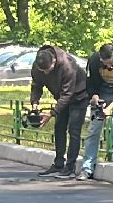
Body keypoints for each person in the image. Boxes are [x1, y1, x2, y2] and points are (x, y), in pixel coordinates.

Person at [29, 45, 90, 179]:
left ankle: (70, 167)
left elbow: (68, 94)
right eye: (42, 70)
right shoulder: (39, 64)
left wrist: (51, 113)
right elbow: (36, 85)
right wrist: (35, 104)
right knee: (59, 128)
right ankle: (58, 164)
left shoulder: (68, 65)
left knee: (73, 130)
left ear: (54, 62)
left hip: (79, 96)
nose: (45, 73)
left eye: (48, 70)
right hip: (61, 97)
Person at [80, 43, 113, 179]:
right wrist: (94, 96)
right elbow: (89, 82)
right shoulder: (93, 61)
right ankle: (87, 167)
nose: (109, 67)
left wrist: (110, 108)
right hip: (102, 92)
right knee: (94, 129)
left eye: (112, 63)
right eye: (105, 63)